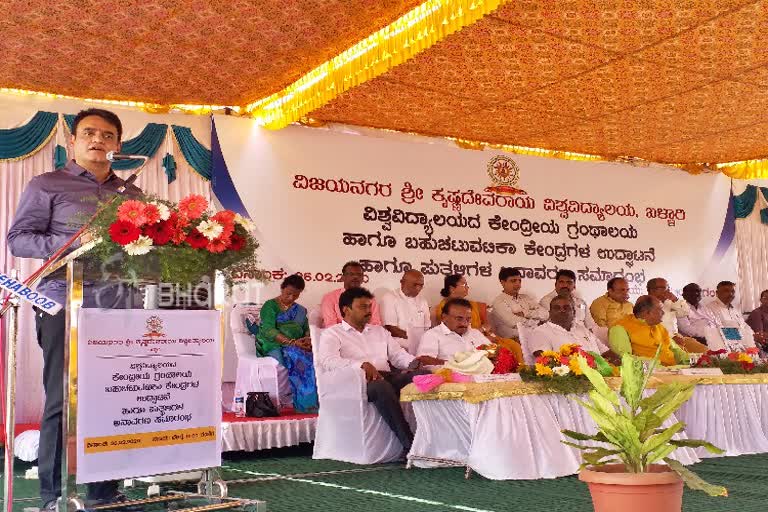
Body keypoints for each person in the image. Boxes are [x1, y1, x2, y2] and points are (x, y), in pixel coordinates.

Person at [7, 109, 142, 510]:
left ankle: (104, 491)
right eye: (89, 133)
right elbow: (19, 240)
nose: (98, 140)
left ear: (118, 145)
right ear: (72, 141)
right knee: (61, 402)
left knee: (112, 398)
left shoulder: (131, 195)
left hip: (120, 308)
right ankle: (52, 496)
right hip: (63, 303)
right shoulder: (47, 184)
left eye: (107, 135)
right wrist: (69, 247)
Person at [317, 288, 440, 453]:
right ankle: (409, 445)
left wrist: (413, 363)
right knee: (381, 387)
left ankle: (436, 437)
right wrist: (360, 365)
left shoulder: (379, 331)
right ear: (346, 309)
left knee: (425, 376)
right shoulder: (333, 333)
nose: (368, 311)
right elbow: (327, 361)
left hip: (387, 377)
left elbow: (397, 356)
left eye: (369, 307)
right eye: (362, 307)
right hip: (355, 382)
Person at [255, 274, 318, 413]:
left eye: (295, 295)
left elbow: (306, 330)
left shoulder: (301, 310)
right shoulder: (270, 306)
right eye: (288, 293)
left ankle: (312, 403)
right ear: (282, 288)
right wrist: (291, 342)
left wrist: (307, 340)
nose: (291, 298)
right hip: (273, 344)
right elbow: (268, 330)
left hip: (297, 344)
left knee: (315, 357)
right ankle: (305, 406)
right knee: (298, 357)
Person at [433, 274, 524, 364]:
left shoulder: (472, 305)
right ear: (452, 288)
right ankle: (499, 375)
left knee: (514, 345)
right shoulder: (443, 308)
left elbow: (487, 325)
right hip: (466, 342)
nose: (468, 287)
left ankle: (519, 372)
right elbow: (454, 332)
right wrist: (482, 332)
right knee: (501, 351)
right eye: (464, 285)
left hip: (481, 337)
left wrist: (490, 335)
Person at [529, 296, 617, 363]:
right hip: (571, 379)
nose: (562, 310)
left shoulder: (583, 329)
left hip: (601, 376)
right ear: (550, 312)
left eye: (566, 308)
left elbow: (605, 352)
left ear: (574, 312)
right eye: (557, 308)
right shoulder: (541, 332)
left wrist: (623, 363)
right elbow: (544, 360)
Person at [608, 296, 689, 366]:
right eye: (660, 309)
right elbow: (626, 359)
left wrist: (694, 361)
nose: (663, 313)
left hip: (673, 370)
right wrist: (656, 365)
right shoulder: (620, 328)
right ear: (646, 313)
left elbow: (676, 350)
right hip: (648, 374)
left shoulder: (658, 326)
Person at [646, 278, 707, 353]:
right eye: (665, 288)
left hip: (678, 337)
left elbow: (685, 312)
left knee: (706, 352)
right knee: (686, 356)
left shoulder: (670, 302)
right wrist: (670, 338)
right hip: (661, 340)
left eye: (668, 288)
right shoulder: (645, 304)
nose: (668, 291)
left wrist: (675, 299)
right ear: (652, 290)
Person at [418, 298, 488, 363]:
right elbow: (424, 361)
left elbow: (492, 353)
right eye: (459, 319)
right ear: (444, 317)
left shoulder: (475, 333)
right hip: (449, 374)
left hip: (484, 375)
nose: (464, 323)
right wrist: (458, 366)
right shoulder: (432, 335)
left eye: (468, 319)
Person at [489, 267, 547, 339]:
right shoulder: (499, 302)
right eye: (513, 281)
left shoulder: (526, 298)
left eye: (519, 281)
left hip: (533, 336)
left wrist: (525, 313)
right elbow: (514, 323)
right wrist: (536, 321)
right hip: (512, 340)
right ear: (503, 282)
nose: (518, 284)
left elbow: (545, 314)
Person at [379, 270, 431, 349]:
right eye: (415, 285)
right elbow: (391, 329)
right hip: (399, 344)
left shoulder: (423, 300)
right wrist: (416, 339)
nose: (418, 288)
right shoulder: (390, 297)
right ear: (402, 282)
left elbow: (427, 327)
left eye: (421, 285)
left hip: (421, 343)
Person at [320, 261, 382, 327]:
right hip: (339, 336)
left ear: (362, 278)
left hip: (365, 335)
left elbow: (375, 324)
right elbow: (331, 326)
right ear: (343, 277)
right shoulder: (330, 298)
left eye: (359, 274)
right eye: (351, 274)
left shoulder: (370, 299)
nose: (355, 277)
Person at [704, 281, 758, 345]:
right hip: (725, 346)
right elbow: (719, 331)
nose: (731, 294)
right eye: (726, 291)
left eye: (733, 291)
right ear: (717, 293)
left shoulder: (735, 309)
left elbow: (744, 325)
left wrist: (754, 335)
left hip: (744, 343)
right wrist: (747, 337)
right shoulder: (710, 308)